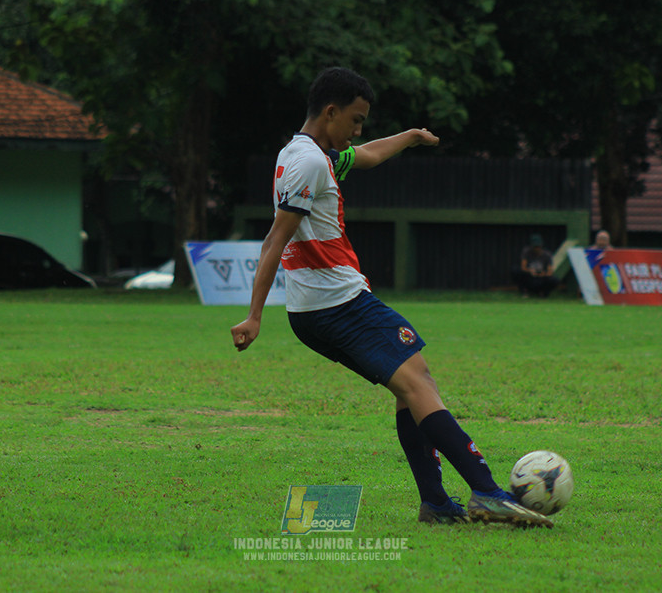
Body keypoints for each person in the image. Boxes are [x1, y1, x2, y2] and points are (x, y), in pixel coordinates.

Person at [230, 67, 552, 528]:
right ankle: (486, 491)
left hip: (320, 306)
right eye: (356, 120)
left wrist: (410, 137)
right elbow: (274, 240)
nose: (359, 130)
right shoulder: (310, 163)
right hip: (335, 302)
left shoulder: (308, 153)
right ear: (330, 112)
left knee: (410, 387)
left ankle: (437, 504)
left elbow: (365, 156)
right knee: (419, 381)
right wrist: (254, 316)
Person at [512, 233, 559, 297]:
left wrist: (543, 274)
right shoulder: (526, 252)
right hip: (529, 277)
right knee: (516, 270)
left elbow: (550, 271)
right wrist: (530, 271)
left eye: (538, 247)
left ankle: (543, 294)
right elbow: (523, 267)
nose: (537, 249)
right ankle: (524, 291)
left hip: (541, 278)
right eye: (535, 247)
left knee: (554, 280)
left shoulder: (547, 255)